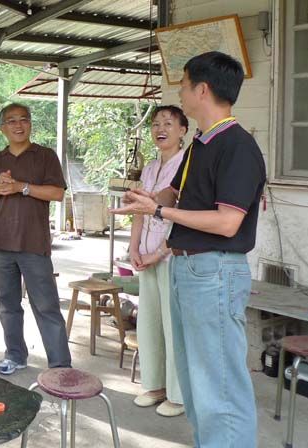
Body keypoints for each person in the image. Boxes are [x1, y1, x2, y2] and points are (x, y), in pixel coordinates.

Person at [112, 51, 266, 447]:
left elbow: (227, 222)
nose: (178, 92)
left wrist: (159, 211)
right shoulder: (200, 143)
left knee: (220, 383)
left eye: (182, 85)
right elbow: (177, 191)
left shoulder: (237, 145)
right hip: (189, 268)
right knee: (197, 381)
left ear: (202, 89)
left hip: (215, 271)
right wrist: (148, 199)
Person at [0, 103, 72, 374]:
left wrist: (21, 187)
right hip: (1, 243)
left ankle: (60, 366)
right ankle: (15, 356)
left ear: (30, 124)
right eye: (11, 121)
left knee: (46, 306)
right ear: (2, 128)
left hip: (33, 243)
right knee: (8, 305)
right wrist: (0, 187)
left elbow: (57, 193)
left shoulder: (45, 156)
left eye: (23, 119)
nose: (18, 125)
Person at [128, 105, 188, 417]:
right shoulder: (150, 168)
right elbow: (140, 211)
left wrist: (157, 253)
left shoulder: (186, 165)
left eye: (168, 123)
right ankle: (154, 385)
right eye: (155, 124)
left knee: (172, 325)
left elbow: (183, 220)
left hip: (171, 257)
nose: (160, 129)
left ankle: (178, 394)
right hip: (146, 255)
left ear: (183, 130)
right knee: (148, 322)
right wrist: (133, 248)